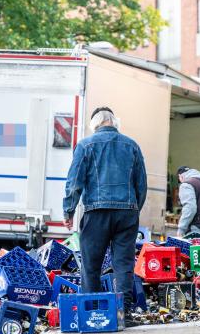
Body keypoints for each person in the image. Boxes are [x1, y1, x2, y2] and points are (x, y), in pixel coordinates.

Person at [63, 107, 147, 320]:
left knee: (91, 265)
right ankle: (124, 312)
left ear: (94, 125)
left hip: (96, 213)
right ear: (114, 122)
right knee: (123, 264)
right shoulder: (132, 145)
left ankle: (92, 312)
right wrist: (134, 209)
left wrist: (69, 211)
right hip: (127, 213)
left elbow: (74, 183)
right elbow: (141, 184)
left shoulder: (85, 145)